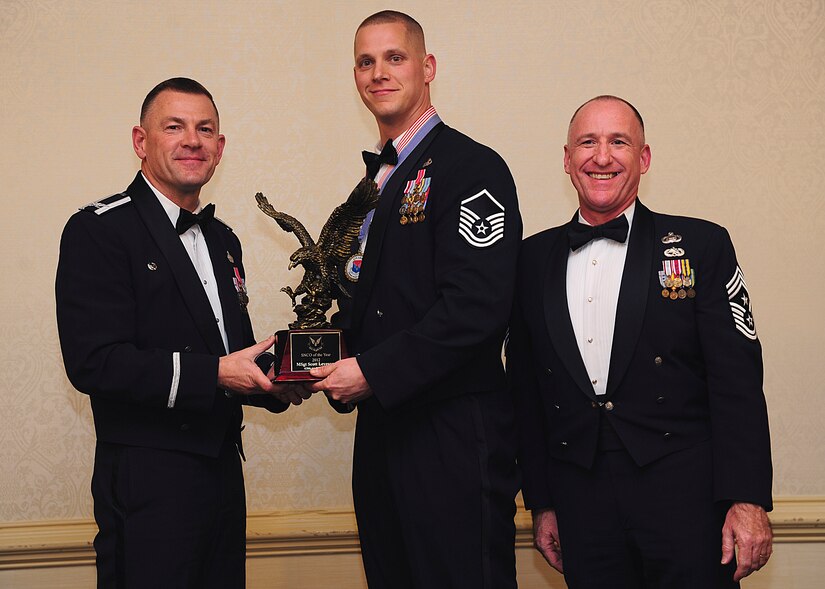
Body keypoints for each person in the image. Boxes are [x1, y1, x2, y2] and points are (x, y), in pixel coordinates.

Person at [508, 95, 773, 588]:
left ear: (644, 159)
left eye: (619, 142)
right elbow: (526, 393)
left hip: (686, 500)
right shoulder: (529, 260)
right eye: (587, 142)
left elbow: (736, 382)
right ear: (567, 160)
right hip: (580, 506)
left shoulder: (701, 245)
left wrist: (748, 498)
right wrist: (541, 502)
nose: (602, 156)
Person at [56, 77, 305, 589]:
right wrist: (215, 374)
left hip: (222, 481)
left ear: (219, 149)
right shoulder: (98, 230)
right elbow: (94, 362)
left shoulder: (223, 240)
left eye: (205, 129)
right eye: (174, 127)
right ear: (140, 142)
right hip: (148, 483)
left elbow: (233, 357)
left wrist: (278, 381)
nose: (192, 140)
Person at [306, 11, 522, 588]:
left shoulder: (473, 167)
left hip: (452, 434)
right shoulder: (372, 184)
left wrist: (370, 371)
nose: (379, 72)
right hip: (382, 435)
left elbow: (476, 307)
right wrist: (307, 360)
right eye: (365, 61)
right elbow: (372, 305)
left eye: (394, 58)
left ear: (427, 68)